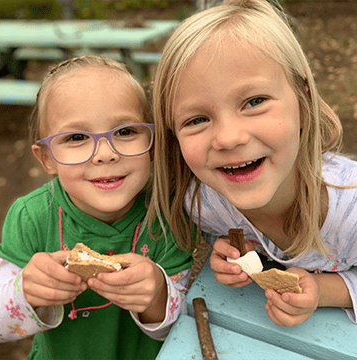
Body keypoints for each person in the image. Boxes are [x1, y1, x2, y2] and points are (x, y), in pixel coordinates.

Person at [148, 0, 357, 327]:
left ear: (303, 103)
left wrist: (322, 289)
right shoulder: (207, 205)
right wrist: (233, 256)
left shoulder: (351, 212)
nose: (228, 138)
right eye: (198, 119)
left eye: (254, 102)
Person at [0, 55, 193, 359]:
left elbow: (190, 326)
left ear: (151, 141)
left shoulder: (171, 212)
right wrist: (24, 292)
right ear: (46, 158)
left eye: (125, 131)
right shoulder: (31, 218)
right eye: (77, 137)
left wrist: (158, 294)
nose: (104, 154)